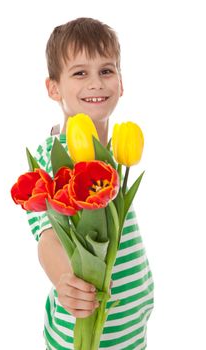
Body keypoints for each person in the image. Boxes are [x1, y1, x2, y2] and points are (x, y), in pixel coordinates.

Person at [27, 17, 154, 349]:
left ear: (121, 83)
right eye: (80, 73)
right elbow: (47, 235)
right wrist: (65, 280)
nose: (96, 83)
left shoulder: (116, 152)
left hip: (130, 330)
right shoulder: (52, 154)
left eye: (107, 71)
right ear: (54, 87)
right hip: (82, 335)